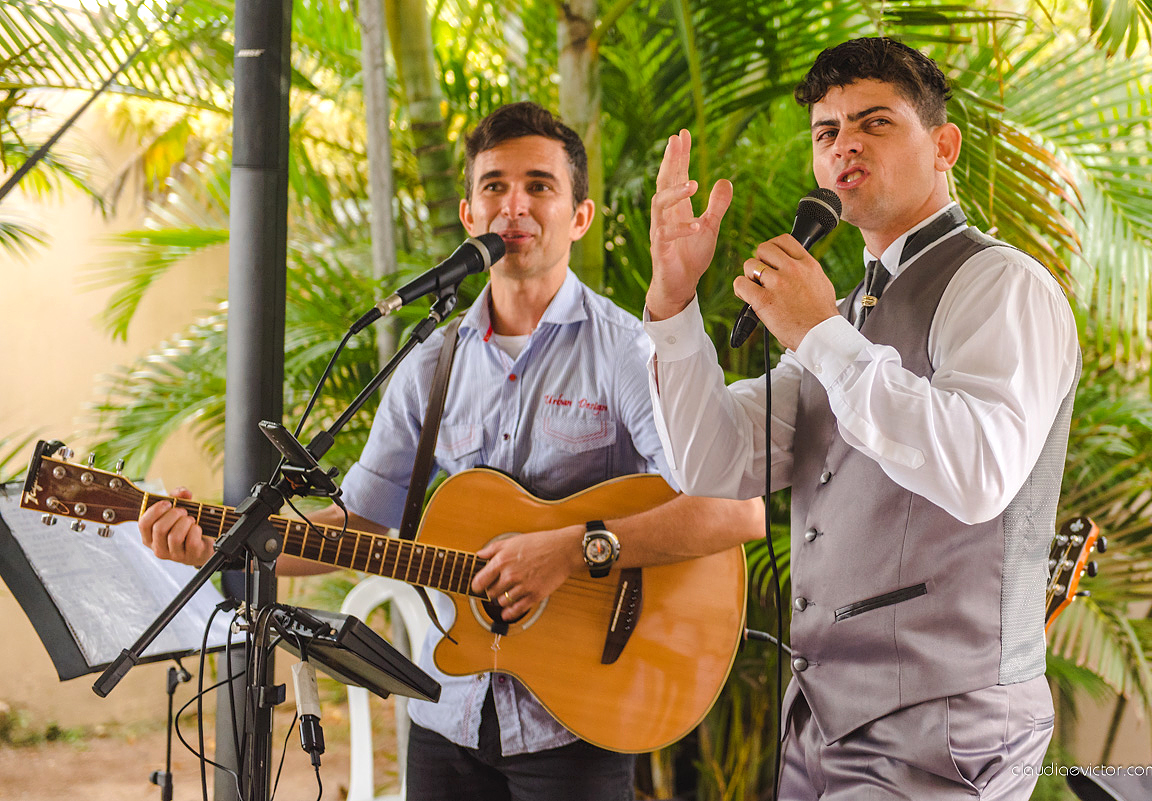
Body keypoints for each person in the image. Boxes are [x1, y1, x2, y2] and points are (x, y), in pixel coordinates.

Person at [139, 101, 763, 801]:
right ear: (469, 216)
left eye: (539, 186)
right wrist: (220, 542)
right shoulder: (430, 363)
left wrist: (569, 551)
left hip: (577, 723)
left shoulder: (628, 352)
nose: (514, 205)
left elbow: (735, 513)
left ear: (579, 217)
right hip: (446, 716)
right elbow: (365, 528)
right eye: (494, 186)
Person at [643, 38, 1079, 800]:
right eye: (826, 131)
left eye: (873, 123)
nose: (844, 143)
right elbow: (716, 464)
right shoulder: (841, 315)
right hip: (818, 717)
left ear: (944, 145)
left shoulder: (1000, 283)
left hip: (944, 722)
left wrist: (819, 335)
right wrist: (674, 308)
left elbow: (979, 473)